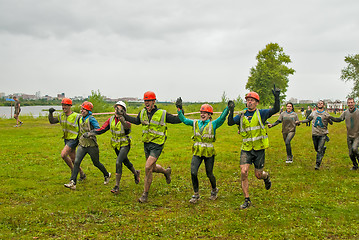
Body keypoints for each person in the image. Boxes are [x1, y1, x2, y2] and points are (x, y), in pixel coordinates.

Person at [122, 91, 182, 203]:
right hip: (147, 144)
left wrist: (180, 109)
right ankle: (166, 172)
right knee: (152, 168)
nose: (146, 103)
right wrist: (124, 115)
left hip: (157, 144)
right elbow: (136, 121)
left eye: (149, 100)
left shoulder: (162, 113)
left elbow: (177, 120)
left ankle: (145, 194)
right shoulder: (142, 112)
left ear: (154, 101)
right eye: (145, 101)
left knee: (147, 167)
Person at [227, 85, 280, 209]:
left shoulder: (262, 113)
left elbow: (276, 109)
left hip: (259, 149)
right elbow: (230, 123)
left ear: (256, 103)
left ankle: (266, 177)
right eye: (247, 100)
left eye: (251, 100)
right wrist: (231, 110)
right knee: (243, 172)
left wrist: (276, 97)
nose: (249, 102)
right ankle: (247, 200)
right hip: (246, 148)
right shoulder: (241, 115)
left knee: (258, 175)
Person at [176, 98, 229, 203]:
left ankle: (214, 190)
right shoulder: (195, 123)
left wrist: (228, 108)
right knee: (193, 172)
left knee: (209, 174)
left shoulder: (214, 124)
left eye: (205, 113)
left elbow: (222, 118)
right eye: (201, 112)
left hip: (209, 153)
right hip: (197, 152)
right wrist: (179, 109)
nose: (202, 114)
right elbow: (184, 120)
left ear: (210, 115)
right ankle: (196, 194)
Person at [89, 101, 140, 194]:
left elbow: (128, 128)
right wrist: (90, 133)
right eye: (116, 108)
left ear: (124, 111)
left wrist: (122, 120)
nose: (117, 110)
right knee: (126, 161)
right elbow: (102, 129)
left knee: (118, 162)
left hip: (125, 144)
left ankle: (116, 186)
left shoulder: (127, 119)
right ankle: (136, 173)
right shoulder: (111, 119)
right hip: (116, 145)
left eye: (119, 109)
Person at [64, 101, 111, 190]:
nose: (82, 111)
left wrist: (90, 133)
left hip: (91, 145)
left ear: (88, 111)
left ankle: (106, 174)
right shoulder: (80, 118)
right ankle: (73, 182)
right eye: (81, 109)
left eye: (84, 109)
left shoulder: (91, 119)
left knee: (96, 163)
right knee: (77, 162)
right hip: (82, 145)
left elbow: (98, 129)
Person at [48, 98, 86, 180]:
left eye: (65, 105)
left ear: (70, 106)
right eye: (62, 105)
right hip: (66, 138)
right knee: (73, 159)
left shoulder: (76, 116)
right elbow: (52, 121)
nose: (63, 107)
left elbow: (85, 123)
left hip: (74, 139)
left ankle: (73, 171)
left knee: (63, 154)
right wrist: (50, 113)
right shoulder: (61, 116)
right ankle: (82, 174)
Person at [299, 100, 333, 170]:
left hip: (323, 134)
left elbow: (331, 123)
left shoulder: (326, 114)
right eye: (319, 103)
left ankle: (317, 164)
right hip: (314, 133)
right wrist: (301, 121)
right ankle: (323, 149)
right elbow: (308, 119)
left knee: (319, 150)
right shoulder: (313, 113)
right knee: (317, 149)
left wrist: (329, 119)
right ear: (317, 105)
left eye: (321, 103)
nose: (320, 104)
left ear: (323, 105)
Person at [329, 98, 359, 170]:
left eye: (351, 102)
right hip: (349, 135)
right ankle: (355, 165)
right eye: (349, 103)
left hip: (357, 135)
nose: (350, 104)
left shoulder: (358, 112)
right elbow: (339, 119)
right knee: (351, 154)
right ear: (347, 104)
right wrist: (330, 117)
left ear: (354, 103)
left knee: (354, 149)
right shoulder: (345, 113)